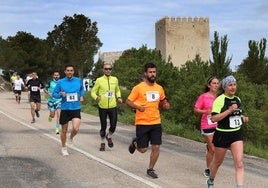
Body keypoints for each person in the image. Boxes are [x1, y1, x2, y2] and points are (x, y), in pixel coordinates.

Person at [126, 62, 170, 179]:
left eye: (154, 72)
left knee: (156, 146)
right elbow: (128, 101)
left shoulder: (159, 88)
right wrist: (138, 107)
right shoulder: (138, 88)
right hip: (142, 123)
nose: (152, 74)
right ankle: (135, 143)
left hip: (156, 122)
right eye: (150, 72)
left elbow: (163, 101)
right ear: (145, 74)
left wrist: (166, 105)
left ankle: (150, 169)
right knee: (143, 149)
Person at [206, 75, 249, 188]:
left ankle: (239, 186)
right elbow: (214, 118)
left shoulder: (237, 99)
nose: (233, 87)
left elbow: (237, 115)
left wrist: (243, 118)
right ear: (225, 87)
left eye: (234, 84)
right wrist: (229, 110)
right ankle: (211, 180)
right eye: (230, 85)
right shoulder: (219, 100)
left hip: (236, 134)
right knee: (217, 162)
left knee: (239, 163)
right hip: (222, 134)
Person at [52, 64, 84, 156]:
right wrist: (60, 95)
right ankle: (63, 147)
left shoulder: (78, 81)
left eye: (71, 70)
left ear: (73, 72)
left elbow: (82, 90)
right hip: (65, 109)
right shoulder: (61, 82)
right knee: (64, 130)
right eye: (68, 70)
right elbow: (54, 94)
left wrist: (82, 96)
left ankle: (71, 138)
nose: (70, 72)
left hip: (75, 108)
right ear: (65, 72)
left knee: (76, 128)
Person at [91, 63, 123, 151]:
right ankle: (102, 143)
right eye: (106, 69)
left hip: (113, 106)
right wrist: (96, 97)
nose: (108, 70)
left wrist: (119, 97)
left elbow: (117, 90)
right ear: (103, 70)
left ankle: (109, 136)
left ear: (111, 70)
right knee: (103, 127)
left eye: (110, 69)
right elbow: (93, 92)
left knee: (113, 126)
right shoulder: (99, 80)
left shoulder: (115, 79)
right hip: (102, 106)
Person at [194, 76, 219, 177]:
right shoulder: (203, 96)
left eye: (217, 83)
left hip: (218, 125)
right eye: (214, 83)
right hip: (207, 124)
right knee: (212, 149)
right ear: (209, 85)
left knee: (216, 149)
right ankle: (208, 169)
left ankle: (209, 150)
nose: (216, 85)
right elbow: (195, 109)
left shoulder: (220, 97)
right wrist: (206, 111)